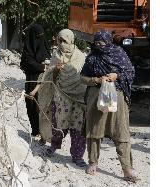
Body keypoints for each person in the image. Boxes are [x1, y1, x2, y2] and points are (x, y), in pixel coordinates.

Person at [80, 30, 138, 182]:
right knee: (94, 130)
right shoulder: (92, 57)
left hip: (117, 99)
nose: (99, 46)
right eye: (97, 43)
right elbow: (83, 78)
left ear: (109, 43)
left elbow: (130, 72)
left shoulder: (119, 54)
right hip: (96, 99)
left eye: (102, 43)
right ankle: (93, 163)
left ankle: (127, 169)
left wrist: (116, 75)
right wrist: (97, 80)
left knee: (121, 131)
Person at [34, 29, 87, 167]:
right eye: (60, 40)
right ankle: (54, 146)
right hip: (60, 95)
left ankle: (77, 155)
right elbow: (49, 75)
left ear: (71, 41)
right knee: (58, 123)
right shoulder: (56, 55)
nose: (62, 44)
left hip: (79, 97)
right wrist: (56, 69)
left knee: (78, 127)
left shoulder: (80, 56)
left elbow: (84, 76)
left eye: (65, 41)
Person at [20, 23, 51, 136]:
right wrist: (41, 67)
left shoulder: (45, 46)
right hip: (32, 81)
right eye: (37, 35)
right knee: (32, 106)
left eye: (41, 35)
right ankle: (35, 130)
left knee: (44, 107)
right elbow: (25, 63)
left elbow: (49, 60)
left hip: (44, 82)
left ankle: (44, 132)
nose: (40, 37)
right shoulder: (27, 50)